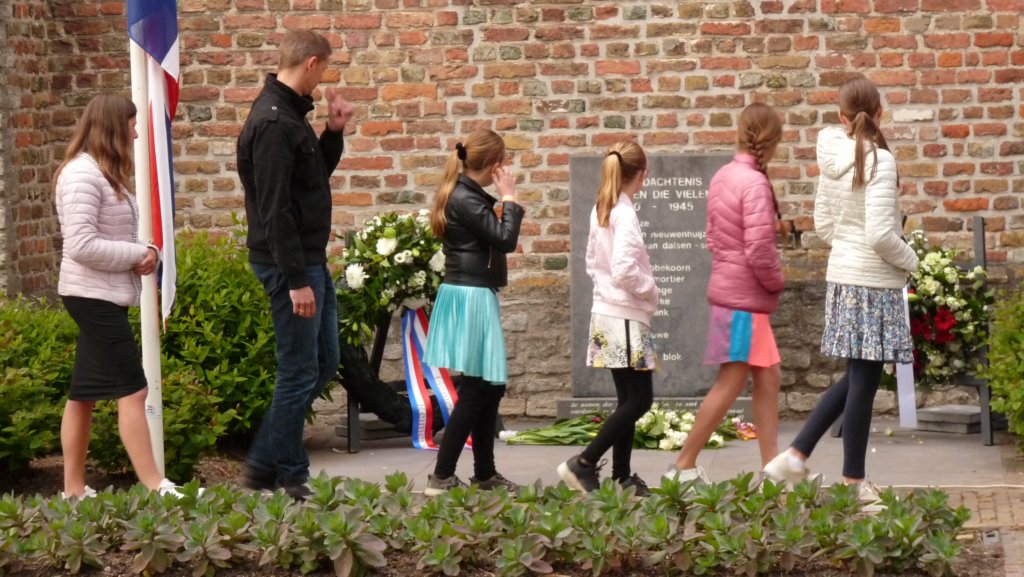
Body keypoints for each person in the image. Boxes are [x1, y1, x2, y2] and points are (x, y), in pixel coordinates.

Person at [763, 75, 918, 508]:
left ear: (841, 117)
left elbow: (827, 227)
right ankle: (853, 482)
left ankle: (795, 456)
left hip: (844, 278)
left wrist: (853, 250)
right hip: (873, 281)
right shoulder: (881, 160)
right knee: (864, 384)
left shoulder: (831, 156)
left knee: (857, 377)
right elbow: (884, 235)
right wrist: (913, 261)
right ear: (880, 112)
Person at [237, 29, 354, 500]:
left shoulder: (290, 116)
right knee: (298, 370)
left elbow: (309, 183)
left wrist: (333, 132)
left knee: (324, 363)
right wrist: (295, 281)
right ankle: (290, 474)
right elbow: (274, 209)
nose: (324, 76)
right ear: (310, 63)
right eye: (324, 67)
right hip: (290, 267)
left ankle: (264, 462)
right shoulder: (271, 121)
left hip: (308, 261)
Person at [55, 93, 185, 498]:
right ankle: (155, 484)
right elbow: (80, 245)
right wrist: (139, 255)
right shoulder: (81, 175)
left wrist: (144, 253)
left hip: (98, 295)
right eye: (130, 124)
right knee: (134, 388)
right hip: (91, 298)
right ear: (113, 127)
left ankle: (73, 490)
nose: (135, 132)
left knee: (83, 396)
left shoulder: (99, 173)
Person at [663, 103, 786, 484]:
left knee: (769, 376)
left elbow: (713, 237)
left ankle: (772, 466)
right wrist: (776, 281)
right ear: (773, 140)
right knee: (731, 381)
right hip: (744, 300)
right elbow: (760, 248)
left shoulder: (723, 175)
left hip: (734, 294)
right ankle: (683, 464)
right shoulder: (754, 183)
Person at [422, 129, 524, 496]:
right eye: (505, 160)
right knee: (478, 388)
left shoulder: (467, 193)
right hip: (470, 294)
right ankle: (442, 475)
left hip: (471, 291)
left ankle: (484, 473)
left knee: (489, 386)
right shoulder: (466, 197)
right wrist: (509, 198)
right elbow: (505, 239)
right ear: (495, 165)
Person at [557, 140, 658, 496]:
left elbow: (590, 263)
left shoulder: (602, 207)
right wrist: (651, 290)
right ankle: (584, 463)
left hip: (606, 313)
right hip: (626, 316)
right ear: (642, 175)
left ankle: (622, 475)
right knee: (640, 400)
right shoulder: (625, 212)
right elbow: (625, 269)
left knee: (627, 400)